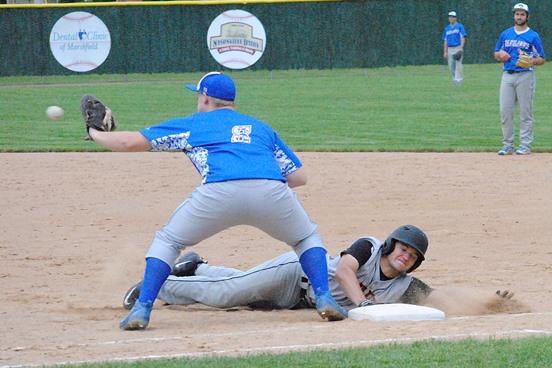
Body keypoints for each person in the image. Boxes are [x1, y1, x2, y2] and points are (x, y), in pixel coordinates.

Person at [87, 71, 347, 330]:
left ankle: (142, 308)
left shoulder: (193, 124)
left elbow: (129, 142)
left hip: (218, 193)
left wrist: (95, 132)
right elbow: (299, 177)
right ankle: (324, 298)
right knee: (305, 239)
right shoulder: (260, 127)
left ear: (205, 97)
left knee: (169, 241)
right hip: (271, 191)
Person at [122, 225, 516, 314]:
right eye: (404, 249)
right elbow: (345, 271)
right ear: (393, 244)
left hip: (296, 301)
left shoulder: (406, 285)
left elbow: (436, 298)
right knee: (226, 294)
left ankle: (198, 267)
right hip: (296, 274)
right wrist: (361, 304)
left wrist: (488, 302)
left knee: (232, 290)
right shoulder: (369, 247)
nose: (406, 257)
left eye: (413, 256)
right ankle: (154, 287)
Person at [494, 3, 546, 156]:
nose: (519, 17)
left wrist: (531, 61)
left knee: (525, 112)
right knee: (505, 111)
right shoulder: (506, 34)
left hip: (525, 76)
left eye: (522, 14)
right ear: (514, 16)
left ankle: (525, 145)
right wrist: (500, 56)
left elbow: (542, 58)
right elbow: (497, 52)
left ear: (527, 17)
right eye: (517, 14)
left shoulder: (533, 36)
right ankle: (508, 146)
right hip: (507, 76)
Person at [442, 11, 467, 85]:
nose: (451, 18)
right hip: (450, 48)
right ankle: (454, 79)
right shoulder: (447, 28)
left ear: (456, 18)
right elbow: (445, 40)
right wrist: (445, 51)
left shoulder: (460, 26)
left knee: (458, 63)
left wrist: (461, 47)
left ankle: (459, 80)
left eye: (453, 17)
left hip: (457, 47)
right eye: (450, 17)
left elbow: (462, 37)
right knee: (451, 65)